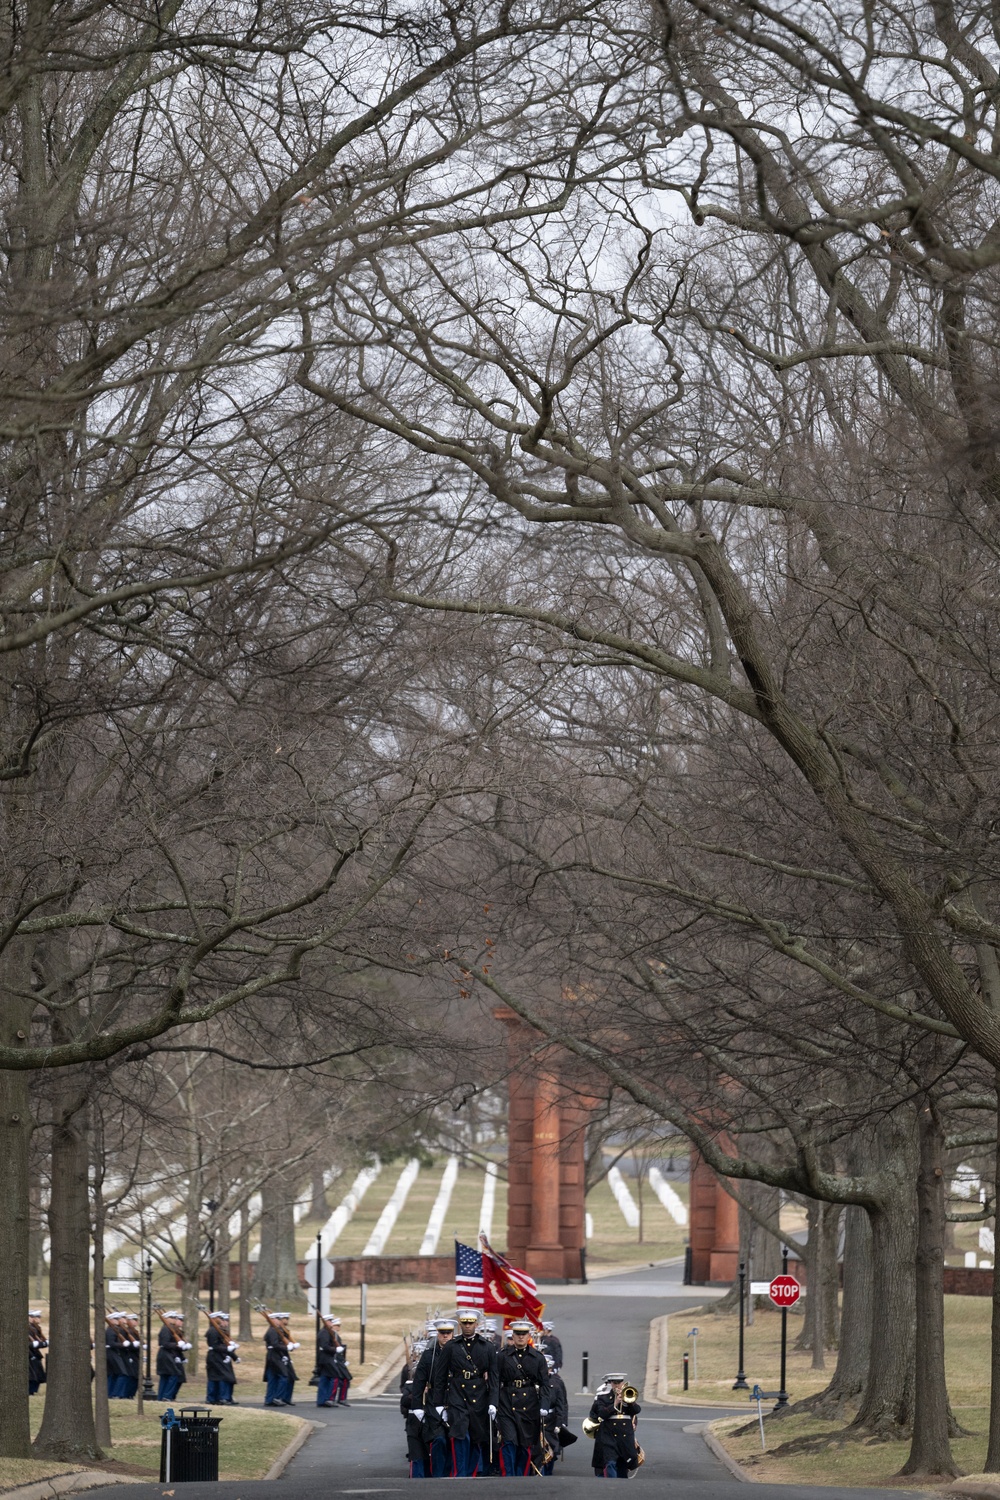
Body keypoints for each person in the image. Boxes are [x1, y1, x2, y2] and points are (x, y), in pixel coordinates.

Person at [433, 1311, 498, 1477]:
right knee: (460, 1433)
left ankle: (471, 1471)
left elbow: (494, 1377)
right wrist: (439, 1403)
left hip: (479, 1394)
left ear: (477, 1324)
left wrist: (493, 1402)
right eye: (464, 1323)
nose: (468, 1326)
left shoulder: (487, 1347)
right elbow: (440, 1376)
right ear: (460, 1324)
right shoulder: (451, 1346)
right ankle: (460, 1472)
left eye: (471, 1323)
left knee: (477, 1436)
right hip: (457, 1392)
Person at [496, 1320, 551, 1476]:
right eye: (517, 1334)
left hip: (529, 1403)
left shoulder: (538, 1358)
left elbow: (545, 1384)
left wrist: (544, 1405)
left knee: (525, 1444)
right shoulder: (503, 1356)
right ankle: (509, 1476)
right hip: (506, 1401)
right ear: (512, 1335)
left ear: (529, 1336)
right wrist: (493, 1403)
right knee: (509, 1441)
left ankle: (521, 1477)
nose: (520, 1337)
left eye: (523, 1334)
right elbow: (495, 1381)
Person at [410, 1320, 455, 1477]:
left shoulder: (461, 1352)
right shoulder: (429, 1356)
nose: (445, 1336)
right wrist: (416, 1406)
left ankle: (452, 1475)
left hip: (456, 1401)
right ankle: (438, 1476)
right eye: (442, 1333)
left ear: (452, 1334)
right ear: (438, 1334)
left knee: (456, 1441)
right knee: (439, 1440)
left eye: (448, 1333)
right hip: (435, 1402)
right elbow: (419, 1381)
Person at [586, 1374, 640, 1479]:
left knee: (623, 1464)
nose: (617, 1386)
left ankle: (621, 1485)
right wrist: (615, 1404)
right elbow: (601, 1413)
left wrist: (628, 1402)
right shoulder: (603, 1397)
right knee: (610, 1461)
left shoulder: (627, 1397)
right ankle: (611, 1483)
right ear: (610, 1383)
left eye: (619, 1383)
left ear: (623, 1383)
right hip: (609, 1433)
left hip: (625, 1435)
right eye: (614, 1383)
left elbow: (636, 1411)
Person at [542, 1356, 571, 1474]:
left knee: (552, 1448)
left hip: (552, 1420)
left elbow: (562, 1404)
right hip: (537, 1419)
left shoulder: (556, 1383)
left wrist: (562, 1422)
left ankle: (548, 1471)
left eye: (547, 1368)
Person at [400, 1366, 429, 1478]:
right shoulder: (410, 1387)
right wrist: (417, 1393)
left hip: (430, 1425)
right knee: (416, 1454)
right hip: (414, 1426)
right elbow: (404, 1401)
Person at [263, 1313, 297, 1406]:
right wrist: (287, 1347)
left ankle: (270, 1399)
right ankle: (277, 1398)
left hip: (277, 1355)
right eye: (278, 1319)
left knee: (274, 1378)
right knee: (283, 1376)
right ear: (273, 1320)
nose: (280, 1321)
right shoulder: (273, 1330)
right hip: (274, 1356)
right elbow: (274, 1344)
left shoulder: (277, 1330)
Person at [205, 1312, 239, 1404]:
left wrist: (234, 1356)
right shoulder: (213, 1331)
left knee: (225, 1377)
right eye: (223, 1320)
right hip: (215, 1357)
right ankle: (219, 1397)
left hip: (222, 1356)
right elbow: (215, 1345)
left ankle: (225, 1397)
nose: (226, 1322)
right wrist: (228, 1348)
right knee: (220, 1377)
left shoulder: (221, 1330)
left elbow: (224, 1343)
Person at [156, 1312, 189, 1401]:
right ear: (166, 1318)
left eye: (175, 1317)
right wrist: (177, 1345)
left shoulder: (171, 1328)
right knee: (172, 1374)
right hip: (166, 1354)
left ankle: (162, 1396)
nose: (175, 1319)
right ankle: (166, 1396)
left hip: (170, 1354)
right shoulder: (165, 1329)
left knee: (167, 1376)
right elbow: (164, 1343)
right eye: (172, 1317)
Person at [327, 1315, 351, 1406]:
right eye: (337, 1325)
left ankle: (342, 1398)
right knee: (337, 1379)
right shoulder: (332, 1335)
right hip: (335, 1361)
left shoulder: (336, 1335)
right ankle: (333, 1398)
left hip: (339, 1361)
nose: (339, 1327)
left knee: (345, 1379)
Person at [106, 1313, 129, 1399]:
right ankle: (116, 1393)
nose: (117, 1320)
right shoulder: (111, 1330)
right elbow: (111, 1343)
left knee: (114, 1374)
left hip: (114, 1352)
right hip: (112, 1353)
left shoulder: (114, 1329)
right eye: (115, 1319)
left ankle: (111, 1393)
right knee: (122, 1373)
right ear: (111, 1320)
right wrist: (123, 1345)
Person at [28, 1312, 47, 1396]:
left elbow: (38, 1340)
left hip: (34, 1353)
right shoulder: (29, 1328)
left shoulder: (35, 1328)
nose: (38, 1319)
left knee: (37, 1375)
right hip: (30, 1354)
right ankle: (30, 1392)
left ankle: (32, 1391)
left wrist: (43, 1343)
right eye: (33, 1317)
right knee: (32, 1376)